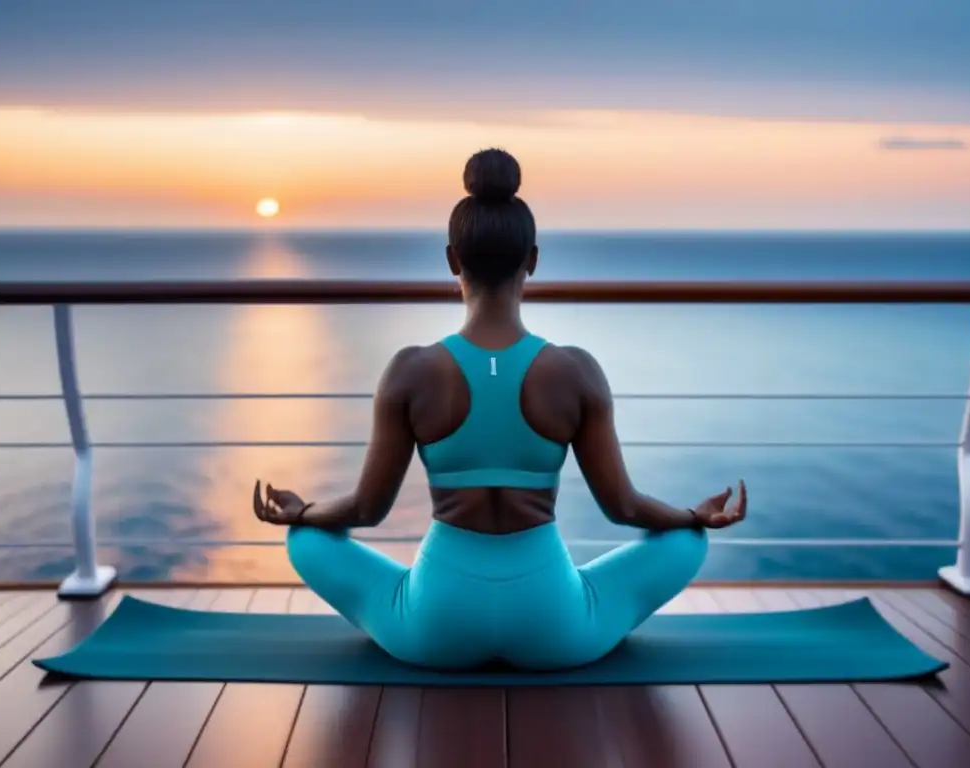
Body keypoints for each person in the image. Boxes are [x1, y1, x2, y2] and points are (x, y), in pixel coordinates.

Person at [252, 148, 747, 671]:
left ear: (452, 260)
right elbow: (622, 507)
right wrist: (694, 517)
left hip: (435, 628)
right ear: (532, 259)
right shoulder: (574, 371)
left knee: (307, 540)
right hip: (553, 628)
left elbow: (365, 511)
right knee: (687, 543)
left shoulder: (411, 371)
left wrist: (302, 512)